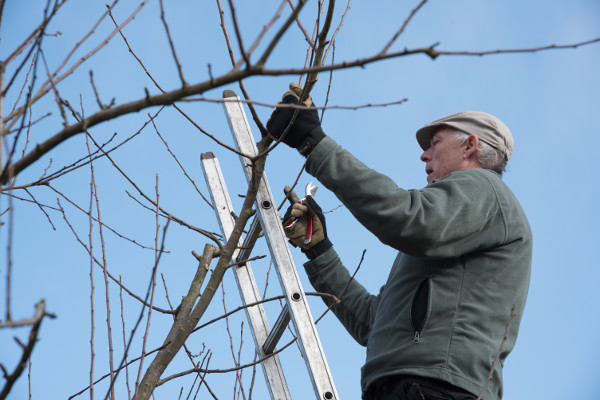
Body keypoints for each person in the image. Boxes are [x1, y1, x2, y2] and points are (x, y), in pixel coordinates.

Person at [267, 84, 532, 400]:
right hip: (407, 386)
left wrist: (316, 144)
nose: (424, 154)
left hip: (438, 389)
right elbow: (371, 322)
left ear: (470, 146)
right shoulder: (455, 227)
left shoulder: (484, 189)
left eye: (435, 144)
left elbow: (407, 217)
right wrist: (319, 249)